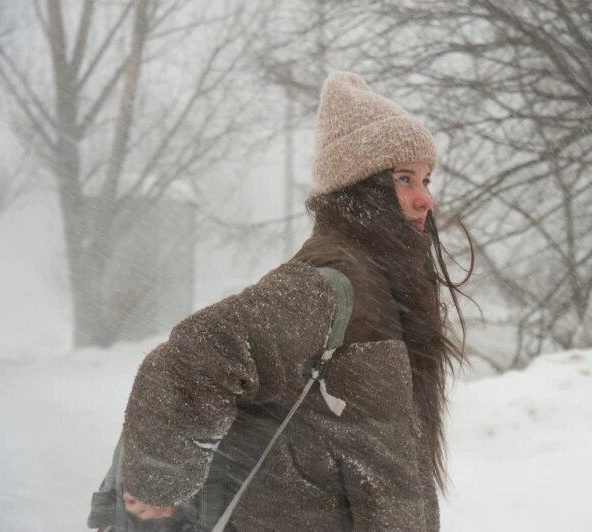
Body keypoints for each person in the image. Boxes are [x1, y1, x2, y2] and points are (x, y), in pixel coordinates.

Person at [117, 72, 473, 531]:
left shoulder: (382, 282)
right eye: (404, 179)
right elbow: (195, 353)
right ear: (359, 187)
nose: (426, 198)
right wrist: (158, 483)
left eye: (425, 178)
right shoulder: (329, 282)